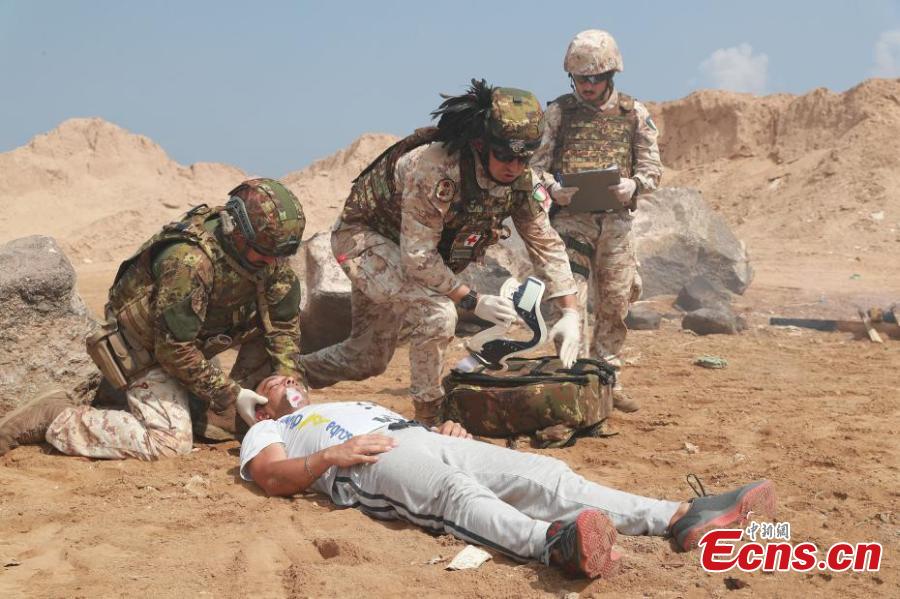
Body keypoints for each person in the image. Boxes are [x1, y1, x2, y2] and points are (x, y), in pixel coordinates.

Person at [240, 374, 777, 579]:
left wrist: (441, 427)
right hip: (363, 462)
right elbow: (268, 475)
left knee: (545, 473)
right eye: (272, 381)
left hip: (416, 436)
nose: (286, 381)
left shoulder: (349, 398)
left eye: (290, 375)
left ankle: (681, 517)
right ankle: (553, 546)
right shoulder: (269, 429)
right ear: (261, 407)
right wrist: (333, 456)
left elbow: (409, 427)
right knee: (453, 495)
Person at [298, 80, 581, 426]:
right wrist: (472, 300)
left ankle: (288, 372)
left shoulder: (522, 182)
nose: (514, 167)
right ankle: (430, 418)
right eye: (505, 155)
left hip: (411, 254)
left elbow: (546, 243)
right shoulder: (436, 169)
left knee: (366, 358)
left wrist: (569, 312)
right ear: (481, 144)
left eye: (524, 157)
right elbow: (418, 256)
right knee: (437, 313)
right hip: (363, 240)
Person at [0, 179, 307, 460]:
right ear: (235, 231)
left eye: (279, 255)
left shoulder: (267, 255)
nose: (271, 263)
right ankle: (58, 417)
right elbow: (174, 349)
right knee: (169, 444)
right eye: (263, 254)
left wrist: (288, 377)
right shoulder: (189, 263)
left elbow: (282, 327)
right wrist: (231, 393)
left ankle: (217, 415)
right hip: (146, 351)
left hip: (194, 341)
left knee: (265, 377)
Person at [531, 30, 663, 413]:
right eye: (580, 79)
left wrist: (634, 184)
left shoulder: (633, 113)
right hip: (571, 222)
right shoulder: (557, 113)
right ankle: (572, 380)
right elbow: (534, 168)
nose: (587, 86)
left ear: (611, 75)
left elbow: (653, 168)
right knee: (567, 301)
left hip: (617, 223)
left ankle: (607, 378)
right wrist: (552, 187)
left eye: (595, 78)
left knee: (616, 302)